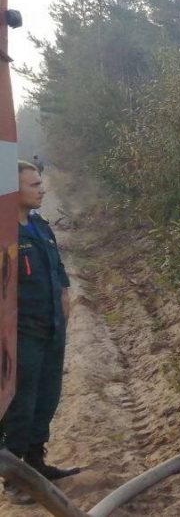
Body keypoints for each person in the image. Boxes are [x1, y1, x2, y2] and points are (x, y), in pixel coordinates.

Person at [2, 161, 79, 495]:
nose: (41, 188)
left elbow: (58, 273)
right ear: (12, 191)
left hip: (51, 329)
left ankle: (36, 463)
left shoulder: (41, 227)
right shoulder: (5, 235)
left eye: (39, 183)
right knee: (20, 405)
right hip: (21, 335)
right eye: (33, 185)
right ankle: (15, 480)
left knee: (46, 398)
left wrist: (64, 302)